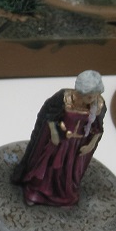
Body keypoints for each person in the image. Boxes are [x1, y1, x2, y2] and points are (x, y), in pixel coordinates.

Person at [11, 70, 106, 208]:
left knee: (68, 171)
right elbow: (50, 117)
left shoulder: (98, 104)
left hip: (76, 146)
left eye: (95, 95)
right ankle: (37, 191)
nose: (93, 99)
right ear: (81, 92)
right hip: (59, 141)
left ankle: (63, 195)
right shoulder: (64, 98)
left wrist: (91, 144)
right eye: (90, 96)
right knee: (49, 166)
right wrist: (54, 133)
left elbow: (98, 128)